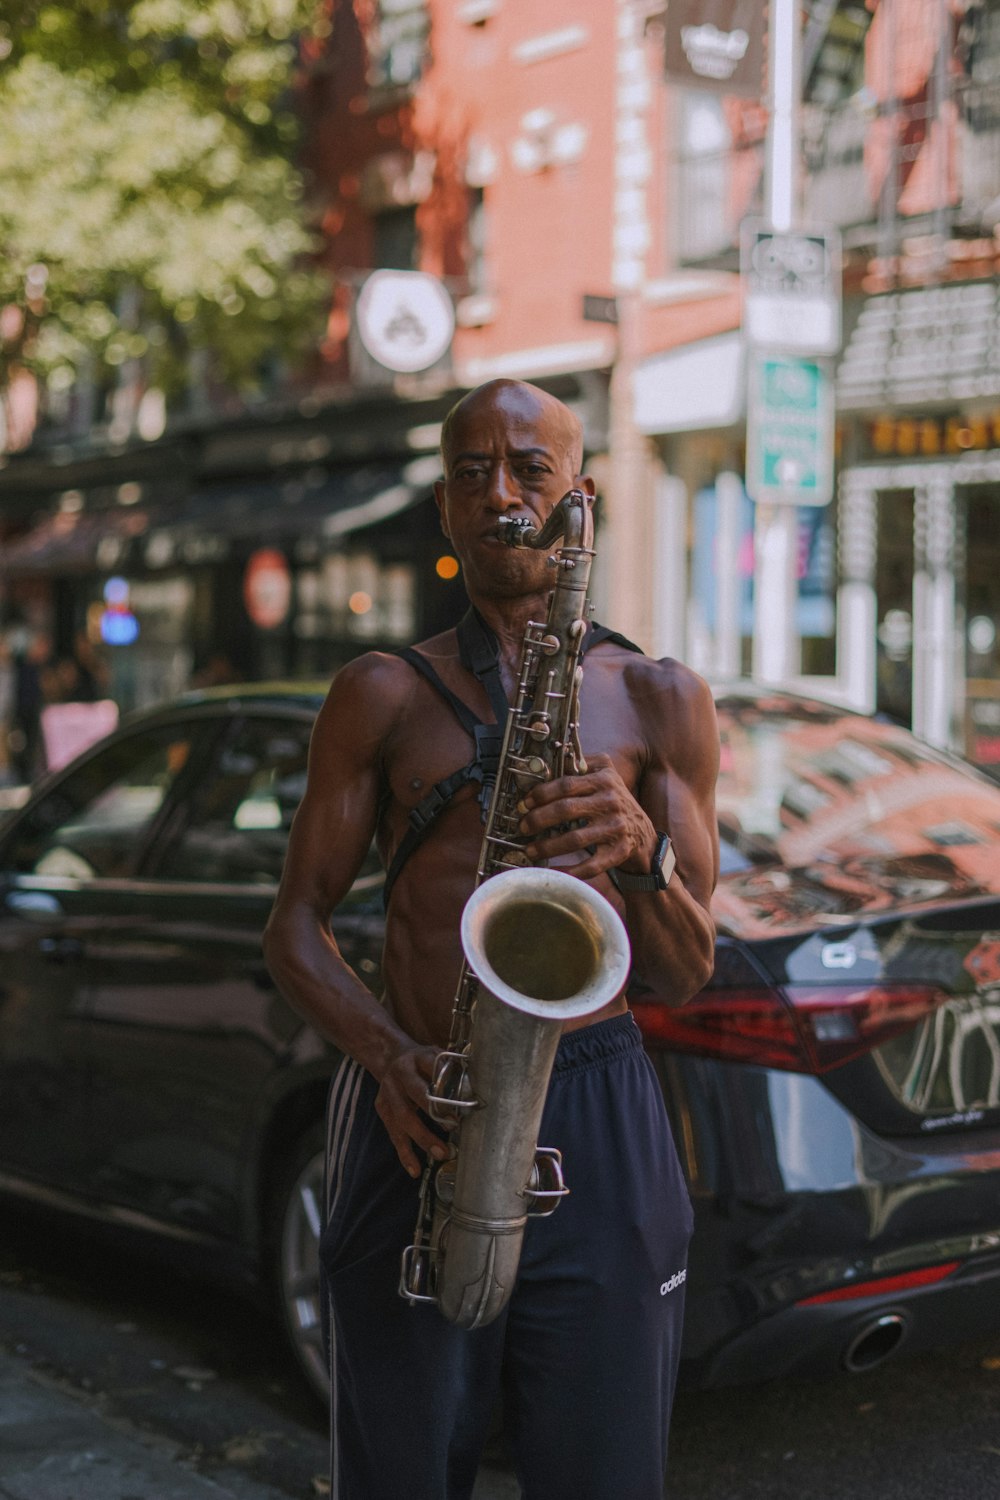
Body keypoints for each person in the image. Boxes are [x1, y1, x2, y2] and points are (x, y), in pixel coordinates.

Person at [263, 379, 719, 1500]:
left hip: (598, 1103)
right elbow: (293, 927)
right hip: (422, 1099)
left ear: (580, 499)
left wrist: (636, 850)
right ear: (443, 508)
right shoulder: (376, 692)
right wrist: (385, 1057)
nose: (498, 493)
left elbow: (688, 969)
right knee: (401, 1475)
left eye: (527, 469)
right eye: (472, 473)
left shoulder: (660, 697)